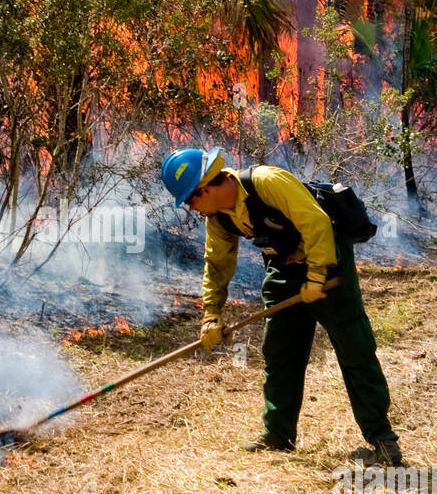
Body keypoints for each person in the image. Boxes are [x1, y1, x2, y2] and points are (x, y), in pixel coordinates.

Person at [161, 147, 403, 465]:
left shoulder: (267, 181)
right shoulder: (218, 216)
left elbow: (316, 222)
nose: (192, 209)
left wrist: (317, 275)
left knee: (354, 348)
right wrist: (212, 314)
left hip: (327, 261)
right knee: (279, 352)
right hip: (282, 267)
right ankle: (278, 435)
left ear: (205, 187)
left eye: (191, 201)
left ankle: (383, 441)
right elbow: (217, 264)